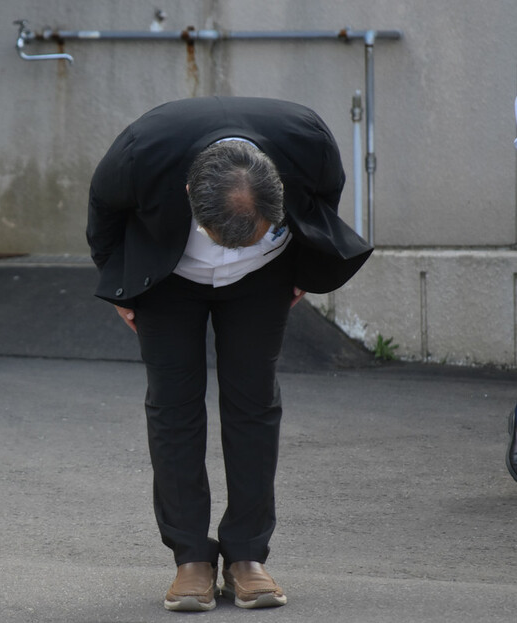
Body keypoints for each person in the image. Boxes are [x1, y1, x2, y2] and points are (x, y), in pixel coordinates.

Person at [87, 96, 372, 611]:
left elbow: (326, 194)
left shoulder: (307, 140)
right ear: (191, 194)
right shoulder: (142, 151)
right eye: (224, 240)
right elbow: (104, 212)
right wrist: (120, 287)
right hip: (168, 279)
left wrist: (302, 263)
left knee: (254, 403)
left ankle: (247, 557)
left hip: (264, 280)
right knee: (173, 406)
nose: (231, 249)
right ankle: (190, 559)